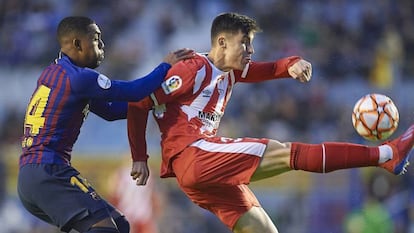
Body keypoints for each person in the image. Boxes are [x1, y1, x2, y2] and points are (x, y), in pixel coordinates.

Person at [127, 12, 414, 233]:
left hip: (201, 175)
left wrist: (293, 63)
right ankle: (386, 155)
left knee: (263, 228)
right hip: (195, 154)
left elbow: (272, 68)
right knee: (290, 153)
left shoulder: (231, 72)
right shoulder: (192, 68)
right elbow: (138, 103)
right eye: (245, 43)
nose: (250, 50)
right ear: (223, 42)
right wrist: (139, 158)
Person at [17, 16, 194, 233]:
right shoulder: (80, 78)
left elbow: (111, 111)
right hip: (49, 171)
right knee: (105, 230)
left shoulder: (55, 73)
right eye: (96, 39)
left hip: (31, 176)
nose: (102, 46)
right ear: (77, 44)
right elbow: (135, 91)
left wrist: (158, 103)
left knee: (120, 225)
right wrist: (165, 66)